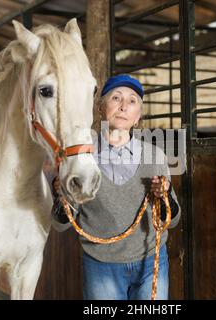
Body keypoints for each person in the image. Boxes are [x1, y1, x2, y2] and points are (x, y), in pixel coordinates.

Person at [51, 74, 181, 300]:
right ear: (101, 108)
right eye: (116, 98)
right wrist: (61, 196)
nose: (123, 106)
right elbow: (61, 224)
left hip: (150, 262)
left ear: (138, 116)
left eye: (132, 101)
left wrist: (165, 194)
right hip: (101, 265)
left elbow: (173, 219)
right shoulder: (83, 158)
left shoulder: (154, 157)